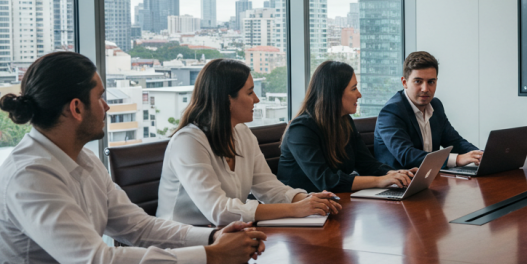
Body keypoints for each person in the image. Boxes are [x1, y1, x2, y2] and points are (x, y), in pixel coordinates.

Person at [0, 52, 265, 264]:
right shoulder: (31, 175)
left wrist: (212, 237)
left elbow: (140, 228)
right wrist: (211, 255)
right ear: (76, 108)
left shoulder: (83, 161)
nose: (106, 107)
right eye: (100, 97)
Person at [157, 59, 340, 226]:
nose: (257, 100)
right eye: (250, 92)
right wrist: (296, 209)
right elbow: (219, 210)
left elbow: (268, 188)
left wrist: (307, 200)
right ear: (227, 100)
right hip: (180, 243)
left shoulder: (242, 133)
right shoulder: (188, 142)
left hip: (224, 235)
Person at [277, 61, 415, 193]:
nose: (359, 95)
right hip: (300, 209)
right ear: (334, 94)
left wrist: (394, 174)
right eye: (354, 88)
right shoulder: (301, 129)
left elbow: (367, 164)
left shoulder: (344, 121)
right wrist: (380, 181)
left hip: (332, 203)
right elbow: (327, 181)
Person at [374, 51, 482, 170]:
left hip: (430, 178)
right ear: (404, 83)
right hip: (399, 183)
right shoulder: (391, 111)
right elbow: (407, 155)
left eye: (431, 82)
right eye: (418, 81)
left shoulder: (436, 105)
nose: (425, 89)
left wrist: (480, 155)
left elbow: (455, 142)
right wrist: (457, 159)